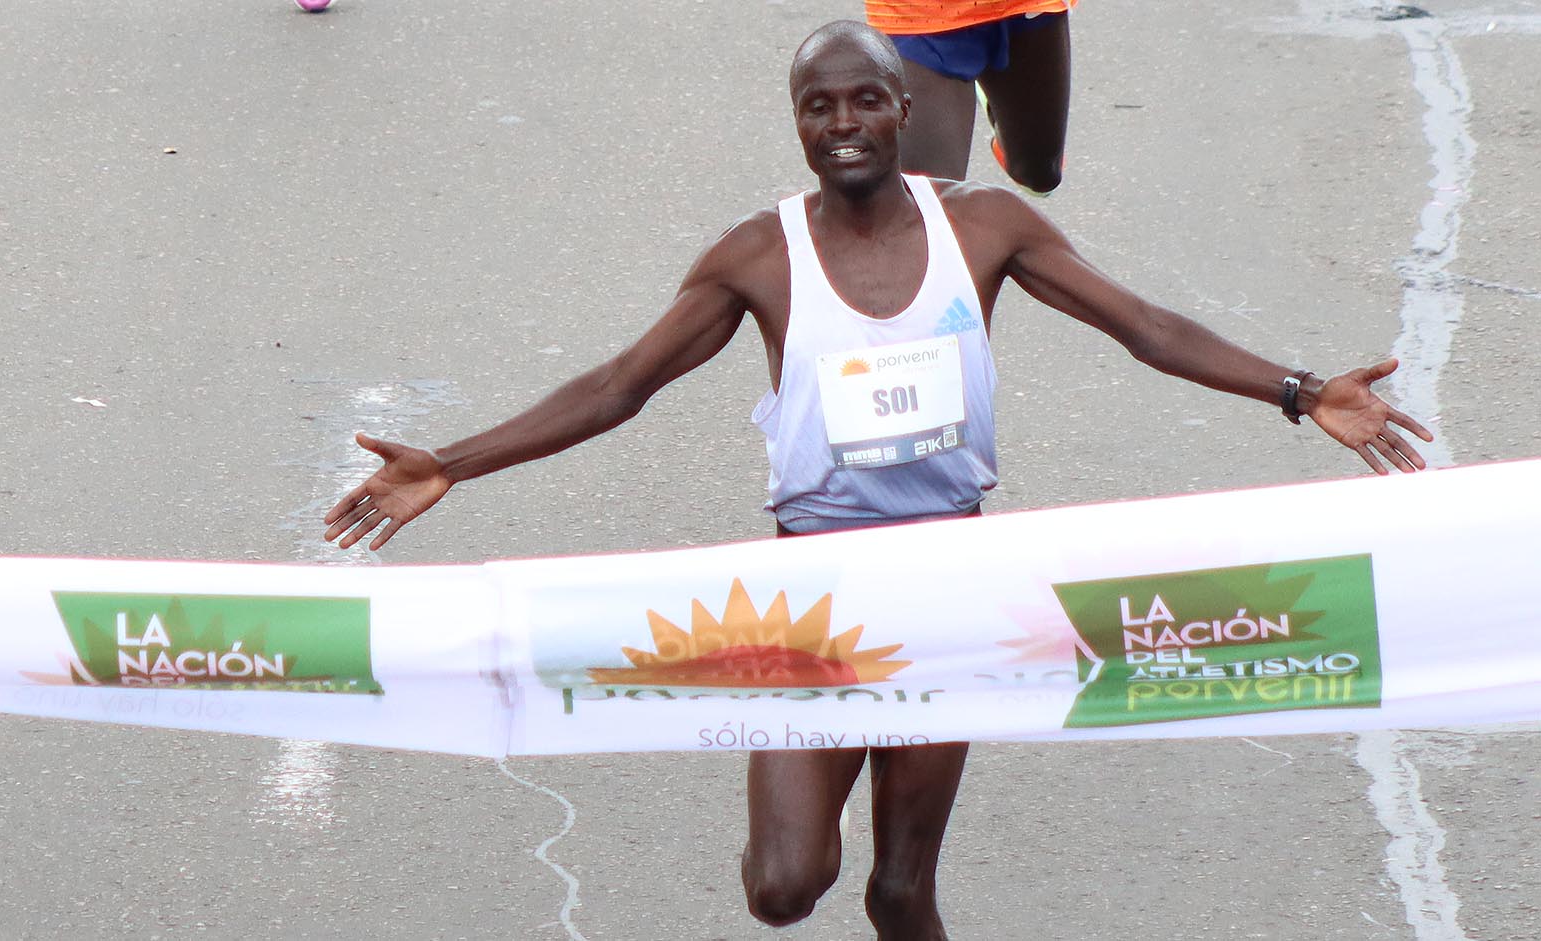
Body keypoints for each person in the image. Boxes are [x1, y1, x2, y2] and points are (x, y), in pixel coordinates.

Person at [323, 21, 1430, 939]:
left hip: (950, 578)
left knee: (900, 888)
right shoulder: (758, 255)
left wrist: (1296, 391)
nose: (841, 125)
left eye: (862, 101)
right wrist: (450, 463)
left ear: (904, 110)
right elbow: (620, 384)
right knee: (780, 887)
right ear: (796, 124)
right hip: (811, 593)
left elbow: (1140, 323)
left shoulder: (984, 225)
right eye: (817, 107)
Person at [865, 0, 1076, 194]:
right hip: (921, 15)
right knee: (928, 208)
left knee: (1041, 175)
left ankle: (997, 98)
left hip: (1026, 5)